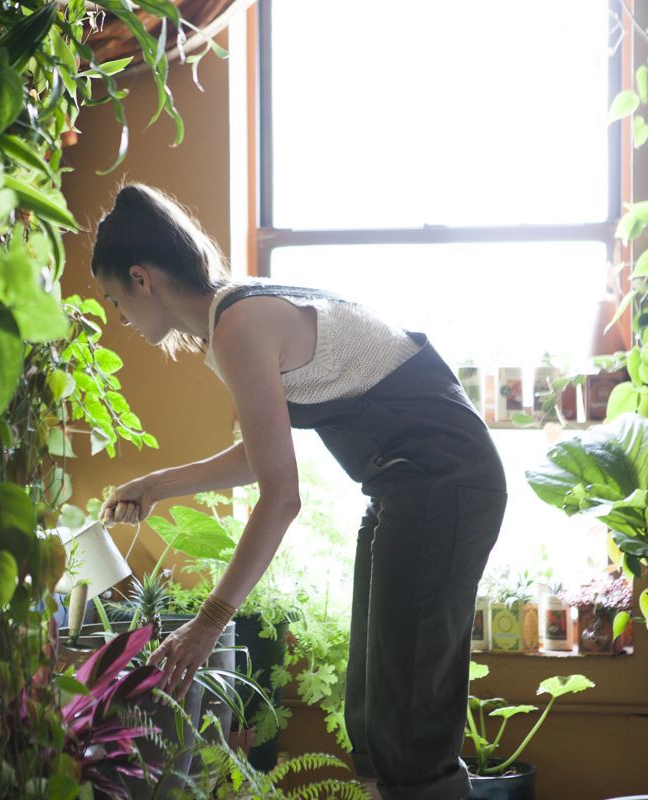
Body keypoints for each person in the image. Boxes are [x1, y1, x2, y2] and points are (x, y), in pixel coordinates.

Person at [92, 183, 507, 800]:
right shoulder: (232, 320)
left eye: (114, 301)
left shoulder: (238, 325)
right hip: (405, 488)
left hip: (443, 481)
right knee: (372, 716)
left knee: (410, 728)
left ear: (141, 278)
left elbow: (281, 498)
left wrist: (209, 623)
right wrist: (158, 485)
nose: (119, 318)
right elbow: (259, 455)